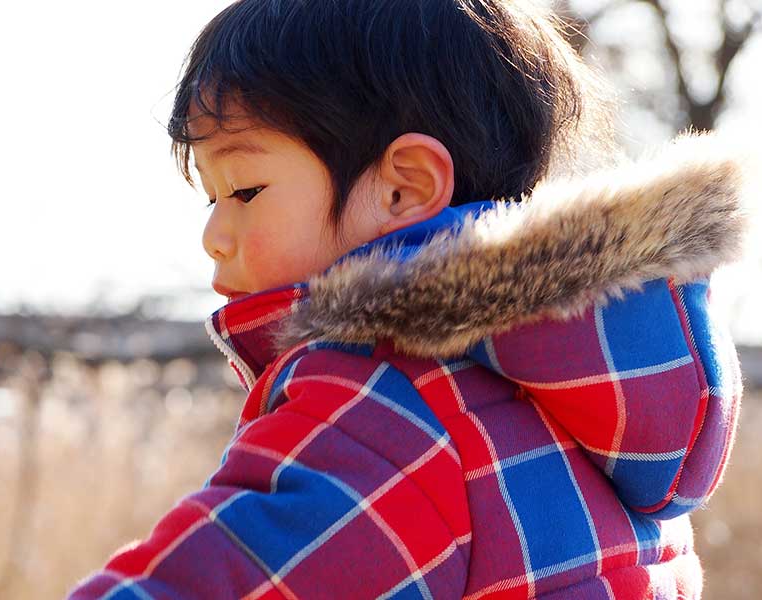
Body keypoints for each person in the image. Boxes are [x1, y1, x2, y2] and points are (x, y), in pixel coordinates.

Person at [67, 0, 749, 598]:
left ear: (404, 189)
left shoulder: (388, 412)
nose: (215, 235)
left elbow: (212, 581)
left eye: (244, 191)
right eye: (212, 199)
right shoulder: (583, 407)